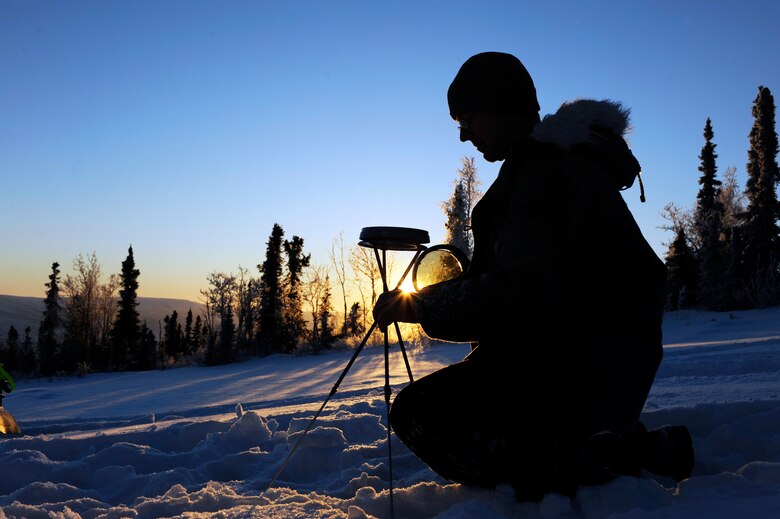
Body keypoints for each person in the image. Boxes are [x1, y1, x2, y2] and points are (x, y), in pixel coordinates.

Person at [372, 51, 693, 500]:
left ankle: (609, 457)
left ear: (500, 107)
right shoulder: (541, 170)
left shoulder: (554, 175)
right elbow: (514, 279)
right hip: (567, 354)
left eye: (468, 118)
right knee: (447, 405)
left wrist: (419, 304)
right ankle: (592, 440)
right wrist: (431, 299)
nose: (464, 135)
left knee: (420, 414)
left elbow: (519, 293)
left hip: (580, 367)